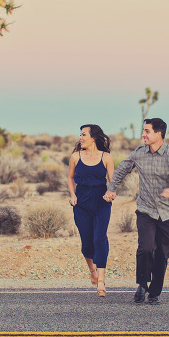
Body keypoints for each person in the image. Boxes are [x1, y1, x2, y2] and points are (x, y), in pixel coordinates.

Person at [104, 118, 169, 305]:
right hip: (146, 210)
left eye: (147, 131)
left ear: (158, 134)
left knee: (162, 254)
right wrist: (112, 188)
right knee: (145, 248)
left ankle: (155, 293)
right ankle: (142, 285)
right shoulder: (138, 154)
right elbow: (122, 169)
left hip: (168, 212)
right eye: (143, 130)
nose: (143, 134)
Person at [67, 124, 115, 297]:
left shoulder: (106, 157)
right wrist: (72, 195)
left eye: (83, 134)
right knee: (87, 242)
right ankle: (92, 271)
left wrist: (111, 193)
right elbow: (70, 178)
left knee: (99, 238)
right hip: (81, 203)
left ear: (93, 138)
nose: (80, 138)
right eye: (80, 135)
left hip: (101, 202)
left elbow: (113, 181)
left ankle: (101, 281)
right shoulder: (75, 156)